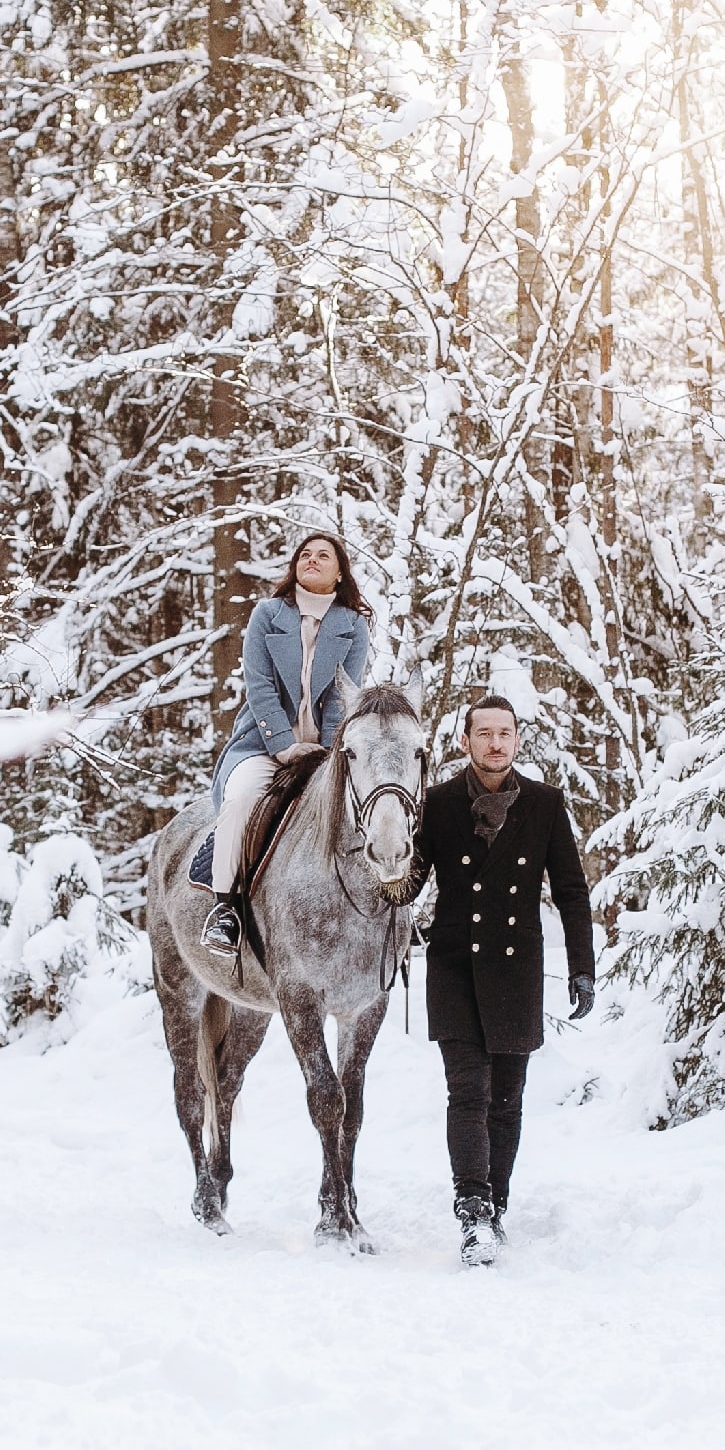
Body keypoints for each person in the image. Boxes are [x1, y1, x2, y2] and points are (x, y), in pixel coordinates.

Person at [413, 695, 594, 1264]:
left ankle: (497, 1208)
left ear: (518, 741)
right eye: (484, 733)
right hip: (454, 965)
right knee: (468, 1092)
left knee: (507, 1102)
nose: (495, 743)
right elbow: (406, 879)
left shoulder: (544, 804)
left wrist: (583, 968)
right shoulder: (437, 804)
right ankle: (473, 1213)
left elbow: (570, 890)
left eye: (505, 733)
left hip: (517, 969)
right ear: (465, 741)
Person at [203, 532, 371, 955]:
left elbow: (343, 695)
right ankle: (226, 909)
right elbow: (258, 687)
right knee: (241, 799)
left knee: (372, 801)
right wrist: (283, 746)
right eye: (305, 555)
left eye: (323, 556)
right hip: (262, 744)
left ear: (339, 574)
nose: (311, 561)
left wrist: (326, 751)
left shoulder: (353, 624)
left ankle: (383, 906)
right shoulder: (267, 614)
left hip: (325, 752)